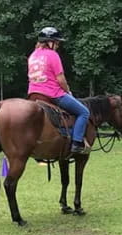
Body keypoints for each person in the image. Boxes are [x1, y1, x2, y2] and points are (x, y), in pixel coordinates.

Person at [27, 27, 90, 156]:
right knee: (84, 112)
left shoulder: (33, 55)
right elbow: (60, 79)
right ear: (49, 42)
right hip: (52, 94)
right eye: (56, 42)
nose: (58, 45)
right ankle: (77, 143)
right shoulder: (53, 55)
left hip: (33, 94)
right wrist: (68, 91)